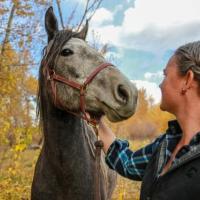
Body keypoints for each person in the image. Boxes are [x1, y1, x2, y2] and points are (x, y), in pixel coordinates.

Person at [98, 41, 200, 200]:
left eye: (165, 75)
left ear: (187, 79)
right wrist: (97, 122)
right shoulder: (165, 144)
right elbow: (127, 163)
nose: (160, 85)